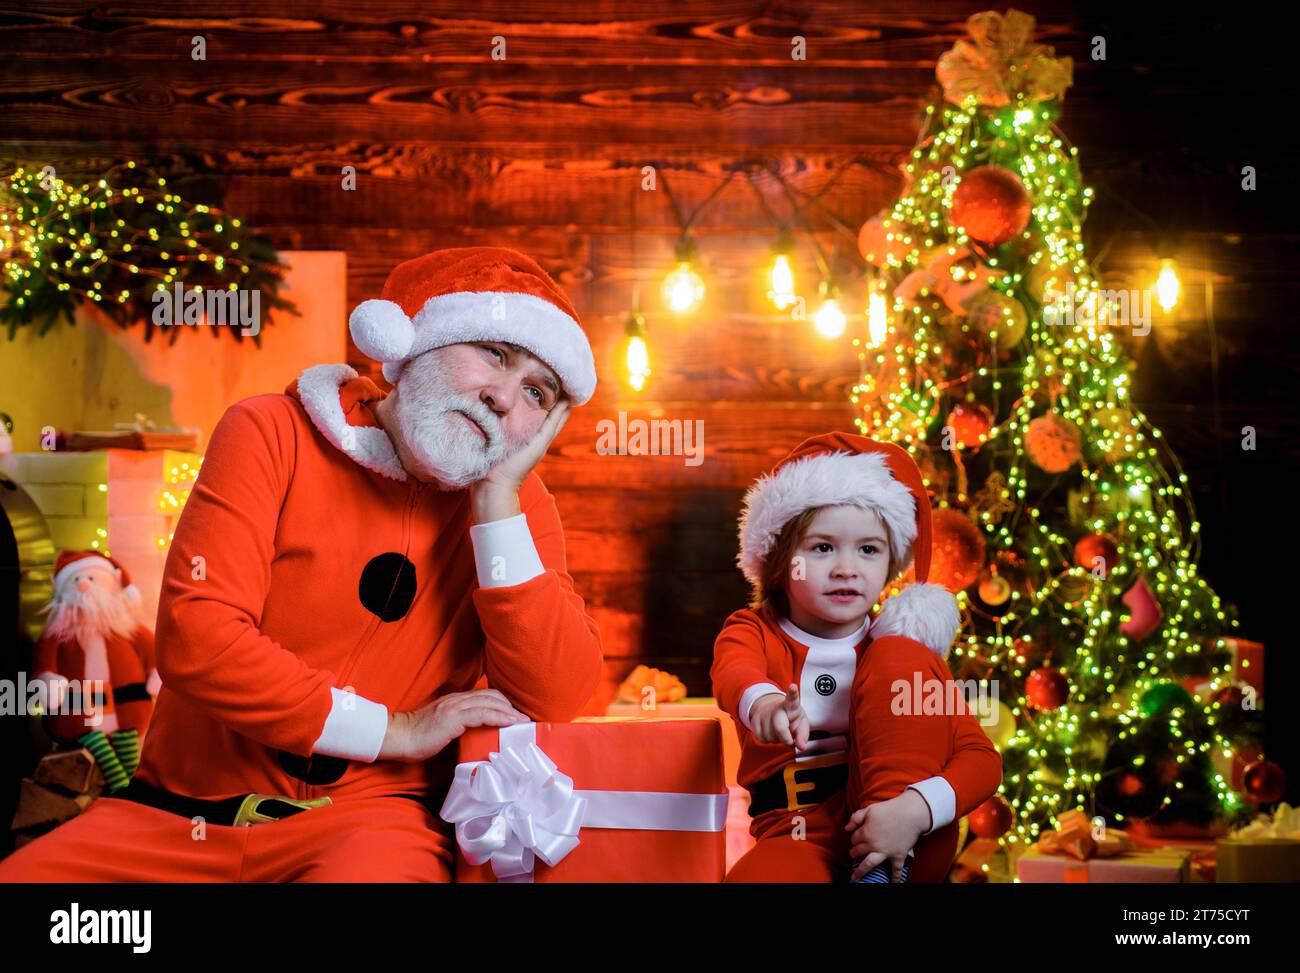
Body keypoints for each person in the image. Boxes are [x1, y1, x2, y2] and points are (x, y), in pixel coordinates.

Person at [0, 246, 603, 882]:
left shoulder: (514, 510)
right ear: (417, 341)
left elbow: (555, 694)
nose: (504, 397)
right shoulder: (269, 432)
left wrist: (495, 501)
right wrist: (391, 730)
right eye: (495, 353)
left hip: (368, 826)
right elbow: (199, 638)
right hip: (176, 817)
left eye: (537, 391)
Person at [712, 432, 1003, 882]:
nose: (847, 568)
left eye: (868, 549)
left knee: (898, 656)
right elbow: (735, 671)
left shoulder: (903, 654)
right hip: (797, 833)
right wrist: (763, 703)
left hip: (906, 833)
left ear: (890, 565)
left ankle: (884, 872)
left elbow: (981, 760)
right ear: (780, 559)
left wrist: (914, 809)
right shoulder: (755, 631)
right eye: (822, 547)